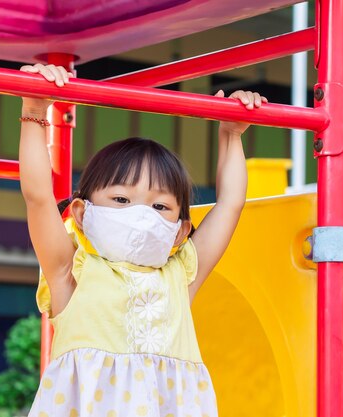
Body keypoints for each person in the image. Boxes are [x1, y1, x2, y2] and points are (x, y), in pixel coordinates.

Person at [18, 63, 267, 417]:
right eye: (121, 200)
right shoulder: (71, 270)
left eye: (160, 206)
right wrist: (34, 112)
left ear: (181, 230)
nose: (140, 215)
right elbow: (38, 197)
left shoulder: (179, 274)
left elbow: (230, 204)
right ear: (81, 213)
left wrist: (231, 134)